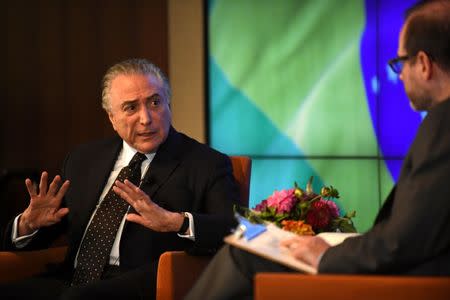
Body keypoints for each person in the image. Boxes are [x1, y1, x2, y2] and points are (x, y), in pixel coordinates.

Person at [184, 1, 450, 299]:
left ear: (424, 64)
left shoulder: (443, 125)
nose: (399, 76)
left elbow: (403, 241)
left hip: (411, 283)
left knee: (246, 255)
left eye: (400, 63)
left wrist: (325, 255)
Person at [1, 58, 240, 299]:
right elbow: (47, 232)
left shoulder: (206, 163)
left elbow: (233, 229)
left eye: (155, 102)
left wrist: (177, 222)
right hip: (69, 279)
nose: (146, 118)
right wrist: (28, 225)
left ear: (169, 104)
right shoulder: (84, 159)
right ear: (111, 118)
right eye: (131, 108)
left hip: (141, 285)